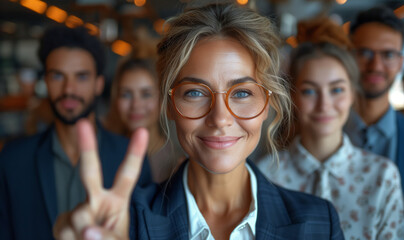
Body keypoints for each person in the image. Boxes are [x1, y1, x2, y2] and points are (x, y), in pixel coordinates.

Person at [53, 3, 345, 239]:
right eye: (194, 92)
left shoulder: (318, 223)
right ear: (168, 105)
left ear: (268, 103)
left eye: (242, 92)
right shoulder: (129, 223)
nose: (220, 118)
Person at [0, 26, 152, 240]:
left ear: (99, 84)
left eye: (81, 77)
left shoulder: (130, 158)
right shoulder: (12, 159)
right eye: (57, 76)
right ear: (45, 81)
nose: (69, 89)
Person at [258, 41, 404, 239]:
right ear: (293, 97)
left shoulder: (382, 176)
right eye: (309, 91)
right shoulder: (266, 175)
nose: (324, 105)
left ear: (353, 94)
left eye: (336, 90)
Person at [343, 6, 404, 239]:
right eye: (365, 53)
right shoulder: (317, 134)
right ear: (348, 56)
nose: (376, 66)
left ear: (401, 63)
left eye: (388, 55)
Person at [104, 57, 184, 183]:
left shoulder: (180, 163)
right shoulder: (102, 155)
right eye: (126, 94)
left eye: (146, 94)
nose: (136, 105)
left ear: (162, 100)